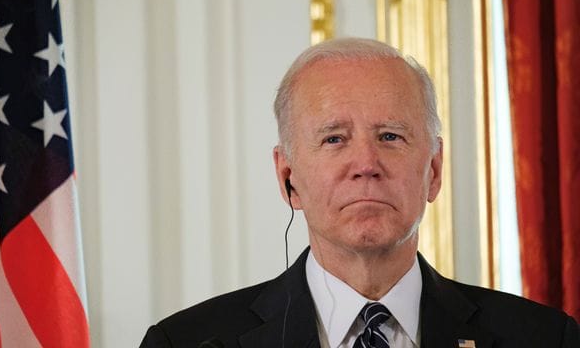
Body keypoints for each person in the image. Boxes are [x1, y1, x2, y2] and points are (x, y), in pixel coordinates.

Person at [140, 37, 579, 347]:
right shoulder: (187, 342)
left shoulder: (544, 337)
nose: (366, 164)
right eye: (334, 139)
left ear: (434, 170)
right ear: (288, 178)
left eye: (390, 136)